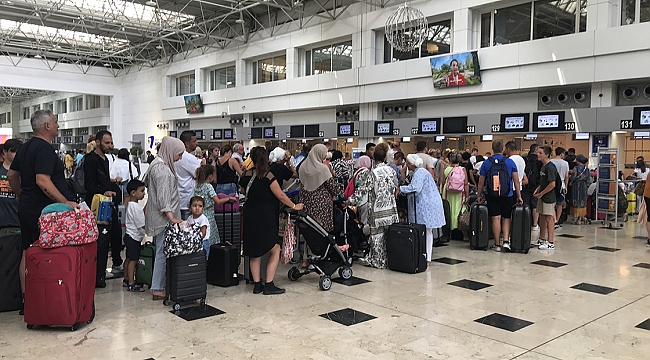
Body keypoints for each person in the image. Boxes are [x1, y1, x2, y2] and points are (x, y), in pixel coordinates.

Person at [7, 110, 78, 315]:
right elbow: (42, 180)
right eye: (55, 122)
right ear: (47, 126)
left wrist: (21, 194)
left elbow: (12, 175)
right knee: (46, 253)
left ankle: (27, 300)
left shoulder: (25, 147)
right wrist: (65, 202)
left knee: (27, 251)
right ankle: (45, 299)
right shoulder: (45, 149)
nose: (58, 125)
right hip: (44, 211)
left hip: (27, 206)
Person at [240, 147, 304, 295]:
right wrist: (294, 205)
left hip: (250, 211)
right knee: (274, 248)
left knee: (254, 251)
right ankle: (269, 283)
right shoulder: (268, 176)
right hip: (265, 213)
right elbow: (280, 195)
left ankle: (257, 285)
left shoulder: (246, 174)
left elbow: (244, 191)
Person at [143, 136, 184, 301]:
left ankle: (159, 284)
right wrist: (171, 216)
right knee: (162, 251)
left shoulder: (156, 164)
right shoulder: (162, 170)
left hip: (158, 216)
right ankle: (158, 288)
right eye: (178, 154)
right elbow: (163, 196)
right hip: (163, 220)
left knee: (162, 250)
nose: (179, 158)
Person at [84, 130, 123, 284]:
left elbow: (104, 179)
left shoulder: (106, 159)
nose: (110, 146)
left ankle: (114, 264)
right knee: (102, 238)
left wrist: (111, 184)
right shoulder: (90, 159)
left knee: (114, 233)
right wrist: (103, 190)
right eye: (107, 142)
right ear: (98, 142)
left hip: (107, 202)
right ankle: (98, 274)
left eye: (111, 143)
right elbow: (89, 184)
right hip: (97, 204)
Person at [476, 139, 522, 252]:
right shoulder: (510, 162)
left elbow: (481, 181)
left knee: (495, 217)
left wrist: (479, 195)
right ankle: (506, 241)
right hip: (508, 194)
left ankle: (497, 244)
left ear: (493, 149)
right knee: (507, 217)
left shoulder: (486, 162)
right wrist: (519, 196)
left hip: (491, 194)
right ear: (503, 149)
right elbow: (516, 181)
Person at [399, 154, 446, 262]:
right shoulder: (422, 171)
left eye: (407, 163)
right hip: (430, 203)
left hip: (426, 204)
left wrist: (400, 189)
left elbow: (415, 188)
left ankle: (426, 256)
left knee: (426, 231)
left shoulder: (420, 173)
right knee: (428, 231)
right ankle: (426, 256)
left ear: (411, 164)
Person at [358, 143, 398, 268]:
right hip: (391, 210)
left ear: (374, 157)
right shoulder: (391, 171)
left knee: (376, 237)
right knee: (388, 237)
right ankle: (389, 259)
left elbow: (361, 192)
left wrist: (348, 201)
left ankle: (378, 261)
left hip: (377, 211)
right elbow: (395, 186)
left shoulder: (373, 173)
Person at [299, 144, 344, 233]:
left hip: (306, 204)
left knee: (309, 232)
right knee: (322, 233)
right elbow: (334, 188)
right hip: (321, 206)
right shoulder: (322, 169)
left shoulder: (302, 167)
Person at [194, 165, 238, 251]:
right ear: (210, 176)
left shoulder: (197, 186)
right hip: (209, 215)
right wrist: (229, 198)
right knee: (210, 238)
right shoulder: (208, 186)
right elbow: (217, 201)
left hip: (199, 214)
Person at [123, 180, 146, 292]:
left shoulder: (131, 205)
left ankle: (126, 279)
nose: (144, 194)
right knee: (134, 260)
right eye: (142, 191)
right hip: (134, 237)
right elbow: (141, 224)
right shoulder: (136, 207)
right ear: (133, 193)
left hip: (129, 236)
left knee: (128, 258)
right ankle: (132, 283)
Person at [175, 130, 204, 220]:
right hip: (187, 201)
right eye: (194, 141)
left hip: (176, 200)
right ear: (187, 143)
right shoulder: (189, 158)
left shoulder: (173, 155)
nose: (197, 143)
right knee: (187, 231)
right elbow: (200, 176)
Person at [533, 146, 558, 250]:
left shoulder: (551, 167)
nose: (538, 155)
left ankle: (550, 241)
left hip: (548, 197)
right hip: (542, 196)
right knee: (542, 217)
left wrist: (542, 193)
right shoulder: (543, 166)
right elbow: (545, 181)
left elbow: (552, 184)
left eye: (540, 153)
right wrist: (538, 189)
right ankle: (542, 238)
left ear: (547, 154)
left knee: (549, 218)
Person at [442, 151, 470, 233]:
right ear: (460, 159)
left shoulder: (447, 169)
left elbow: (443, 182)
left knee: (449, 210)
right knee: (460, 210)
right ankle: (464, 234)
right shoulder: (463, 169)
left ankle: (449, 231)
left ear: (450, 159)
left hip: (448, 193)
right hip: (460, 193)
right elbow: (466, 183)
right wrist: (467, 196)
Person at [1, 139, 23, 229]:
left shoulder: (26, 172)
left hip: (18, 220)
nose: (17, 155)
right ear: (5, 152)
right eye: (14, 151)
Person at [348, 155, 372, 226]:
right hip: (365, 200)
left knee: (361, 220)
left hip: (359, 201)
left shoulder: (357, 172)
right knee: (365, 223)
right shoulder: (366, 172)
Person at [522, 144, 542, 230]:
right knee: (535, 205)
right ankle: (535, 224)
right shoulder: (539, 161)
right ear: (536, 150)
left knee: (525, 204)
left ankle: (525, 222)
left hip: (525, 185)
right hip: (535, 186)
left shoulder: (524, 159)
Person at [551, 147, 570, 228]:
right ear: (562, 153)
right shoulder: (565, 163)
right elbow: (566, 176)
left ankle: (553, 219)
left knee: (551, 203)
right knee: (560, 204)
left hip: (552, 184)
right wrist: (566, 186)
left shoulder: (551, 161)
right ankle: (557, 221)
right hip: (561, 184)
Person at [569, 155, 590, 225]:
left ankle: (579, 219)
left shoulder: (576, 168)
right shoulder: (586, 169)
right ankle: (582, 218)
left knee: (576, 200)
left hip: (576, 186)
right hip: (583, 186)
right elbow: (588, 179)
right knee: (582, 201)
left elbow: (573, 177)